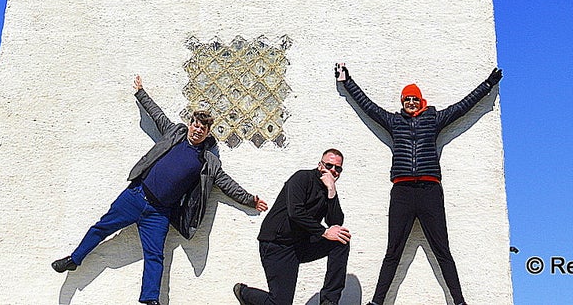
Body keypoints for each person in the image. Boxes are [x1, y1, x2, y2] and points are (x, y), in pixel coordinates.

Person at [51, 75, 268, 304]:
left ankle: (150, 299)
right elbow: (157, 115)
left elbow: (226, 184)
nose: (197, 130)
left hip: (159, 214)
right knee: (102, 227)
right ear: (191, 123)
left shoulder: (208, 162)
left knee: (155, 256)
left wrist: (250, 200)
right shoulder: (175, 133)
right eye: (196, 124)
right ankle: (74, 259)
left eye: (203, 128)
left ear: (207, 133)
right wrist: (140, 93)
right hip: (135, 196)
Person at [335, 60, 502, 305]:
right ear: (402, 103)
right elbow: (368, 107)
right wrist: (347, 82)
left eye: (414, 99)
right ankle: (376, 302)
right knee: (393, 251)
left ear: (420, 101)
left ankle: (459, 302)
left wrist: (487, 85)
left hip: (430, 191)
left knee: (442, 250)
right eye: (406, 100)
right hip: (402, 191)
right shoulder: (394, 122)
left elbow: (462, 107)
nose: (410, 103)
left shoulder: (433, 119)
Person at [233, 149, 351, 305]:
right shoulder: (302, 178)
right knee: (280, 303)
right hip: (276, 245)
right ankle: (244, 292)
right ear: (320, 165)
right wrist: (323, 232)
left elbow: (336, 223)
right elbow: (295, 212)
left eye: (338, 168)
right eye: (329, 166)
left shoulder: (329, 189)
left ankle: (329, 301)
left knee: (340, 240)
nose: (333, 171)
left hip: (300, 244)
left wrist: (331, 191)